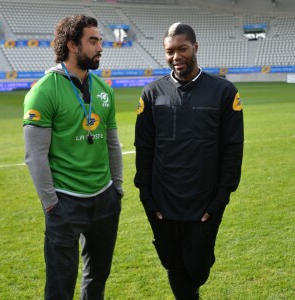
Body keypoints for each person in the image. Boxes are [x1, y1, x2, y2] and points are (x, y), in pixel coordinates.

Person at [134, 22, 244, 300]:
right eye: (170, 51)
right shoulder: (151, 93)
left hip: (204, 201)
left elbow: (233, 148)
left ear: (195, 47)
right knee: (173, 263)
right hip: (163, 201)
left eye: (182, 49)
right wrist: (146, 196)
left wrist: (220, 198)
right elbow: (144, 148)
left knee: (197, 268)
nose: (176, 56)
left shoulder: (224, 92)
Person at [23, 15, 123, 300]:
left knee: (97, 277)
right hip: (65, 202)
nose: (100, 47)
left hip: (105, 199)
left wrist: (116, 188)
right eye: (93, 41)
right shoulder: (43, 91)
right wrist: (52, 204)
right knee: (60, 284)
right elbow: (35, 155)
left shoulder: (104, 90)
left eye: (100, 40)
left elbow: (113, 145)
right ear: (71, 45)